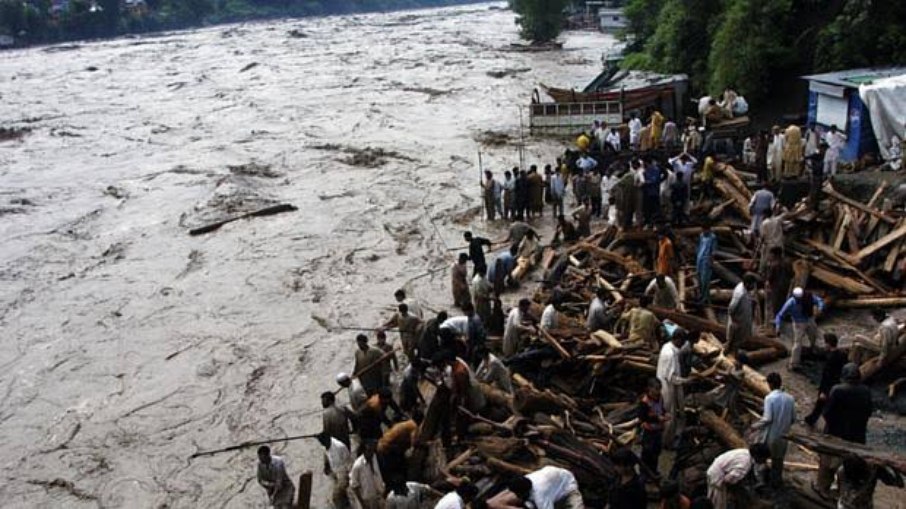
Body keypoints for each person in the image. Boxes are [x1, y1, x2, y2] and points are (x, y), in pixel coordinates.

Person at [815, 363, 873, 498]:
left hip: (835, 434)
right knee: (849, 469)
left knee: (827, 464)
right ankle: (843, 493)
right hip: (857, 435)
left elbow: (827, 413)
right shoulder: (866, 391)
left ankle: (823, 489)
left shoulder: (838, 390)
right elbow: (868, 412)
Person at [751, 372, 796, 487]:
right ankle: (776, 481)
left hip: (770, 435)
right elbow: (793, 418)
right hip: (783, 435)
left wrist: (755, 426)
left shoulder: (769, 398)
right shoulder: (790, 398)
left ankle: (761, 480)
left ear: (770, 384)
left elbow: (767, 418)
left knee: (762, 457)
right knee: (778, 460)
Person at [803, 333, 847, 428]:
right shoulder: (841, 355)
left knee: (821, 406)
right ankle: (812, 419)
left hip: (827, 386)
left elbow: (827, 376)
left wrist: (824, 391)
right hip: (837, 384)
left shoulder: (831, 358)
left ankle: (813, 421)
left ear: (829, 344)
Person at [774, 287, 825, 370]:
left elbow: (819, 301)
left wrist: (820, 308)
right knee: (797, 343)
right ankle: (794, 363)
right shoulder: (790, 303)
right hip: (798, 323)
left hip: (810, 319)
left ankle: (812, 350)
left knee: (813, 335)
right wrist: (778, 326)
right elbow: (780, 315)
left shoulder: (808, 297)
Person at [706, 444, 770, 509]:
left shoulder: (745, 453)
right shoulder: (745, 463)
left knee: (714, 499)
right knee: (718, 504)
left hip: (715, 470)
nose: (763, 461)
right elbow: (728, 480)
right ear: (757, 456)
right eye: (763, 458)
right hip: (717, 475)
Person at [657, 329, 689, 448]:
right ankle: (666, 443)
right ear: (678, 339)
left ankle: (668, 439)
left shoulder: (667, 347)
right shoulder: (670, 353)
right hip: (667, 387)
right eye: (682, 341)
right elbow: (671, 377)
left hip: (667, 385)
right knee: (669, 416)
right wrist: (686, 381)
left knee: (671, 415)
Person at [506, 466, 584, 509]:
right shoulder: (526, 480)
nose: (517, 496)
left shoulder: (540, 494)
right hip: (554, 488)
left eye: (519, 494)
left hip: (568, 487)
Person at [638, 378, 668, 477]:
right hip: (648, 431)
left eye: (659, 389)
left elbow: (662, 409)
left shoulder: (660, 398)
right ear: (649, 389)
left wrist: (665, 415)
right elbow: (642, 417)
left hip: (658, 430)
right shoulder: (645, 402)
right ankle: (644, 474)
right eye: (655, 389)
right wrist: (657, 418)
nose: (657, 392)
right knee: (647, 454)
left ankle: (653, 471)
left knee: (656, 452)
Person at [317, 432, 353, 509]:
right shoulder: (324, 445)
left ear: (328, 440)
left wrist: (349, 477)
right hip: (334, 471)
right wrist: (326, 465)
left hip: (343, 473)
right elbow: (325, 454)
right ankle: (347, 504)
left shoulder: (340, 447)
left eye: (324, 443)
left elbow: (349, 461)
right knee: (342, 494)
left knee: (336, 496)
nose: (323, 445)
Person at [349, 441, 385, 509]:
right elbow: (354, 486)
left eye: (372, 450)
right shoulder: (357, 466)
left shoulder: (375, 457)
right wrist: (362, 504)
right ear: (363, 451)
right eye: (368, 451)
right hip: (367, 500)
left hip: (379, 495)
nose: (371, 453)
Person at [726, 274, 756, 357]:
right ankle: (732, 357)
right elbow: (731, 308)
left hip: (743, 320)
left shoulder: (745, 289)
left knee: (738, 341)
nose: (753, 286)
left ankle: (733, 354)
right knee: (734, 341)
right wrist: (734, 321)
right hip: (738, 321)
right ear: (747, 284)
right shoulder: (740, 294)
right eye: (752, 284)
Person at [761, 246, 791, 319]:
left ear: (774, 255)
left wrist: (766, 280)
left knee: (776, 304)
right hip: (786, 286)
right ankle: (784, 316)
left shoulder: (774, 265)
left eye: (771, 254)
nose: (770, 256)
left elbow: (769, 277)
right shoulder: (787, 263)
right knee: (783, 301)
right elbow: (792, 274)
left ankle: (777, 319)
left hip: (776, 287)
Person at [696, 223, 717, 304]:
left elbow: (713, 251)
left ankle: (705, 298)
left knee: (705, 280)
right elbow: (699, 246)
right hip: (699, 259)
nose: (704, 231)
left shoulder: (713, 237)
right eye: (703, 229)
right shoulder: (701, 236)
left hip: (706, 261)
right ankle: (701, 295)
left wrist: (711, 262)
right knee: (699, 279)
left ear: (709, 229)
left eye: (705, 230)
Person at [642, 158, 663, 228]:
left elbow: (653, 180)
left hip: (654, 193)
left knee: (655, 209)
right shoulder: (645, 170)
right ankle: (648, 222)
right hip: (647, 193)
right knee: (647, 209)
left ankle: (655, 223)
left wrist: (645, 183)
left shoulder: (655, 170)